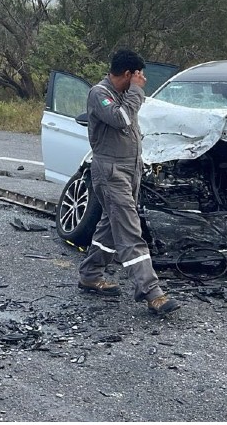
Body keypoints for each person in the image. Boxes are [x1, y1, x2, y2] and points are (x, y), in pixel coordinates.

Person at [76, 49, 180, 316]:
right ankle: (151, 292)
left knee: (111, 226)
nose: (142, 79)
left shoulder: (124, 94)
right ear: (128, 74)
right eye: (139, 75)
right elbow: (121, 119)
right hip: (110, 171)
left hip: (130, 169)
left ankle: (90, 273)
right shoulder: (100, 94)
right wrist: (135, 91)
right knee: (131, 231)